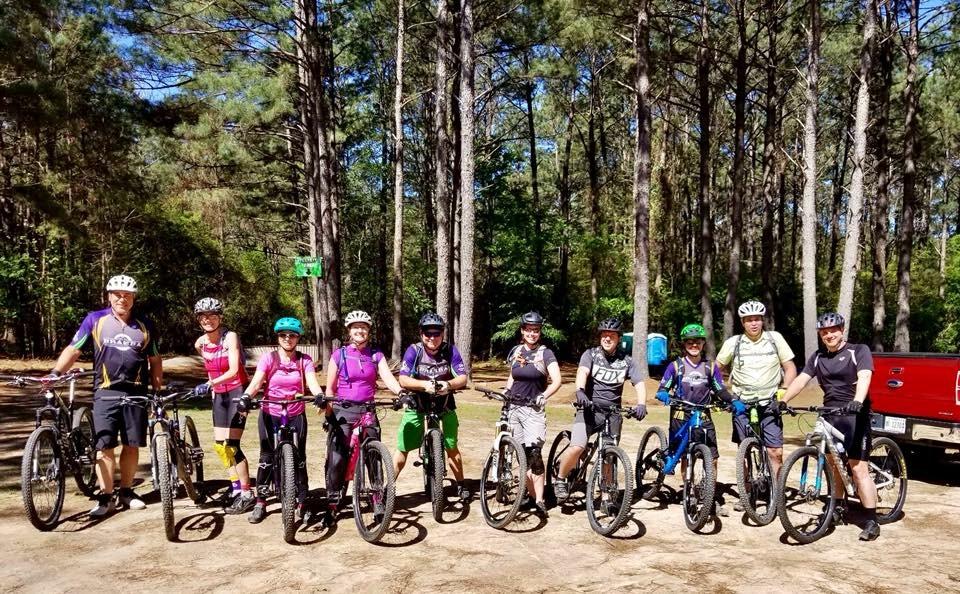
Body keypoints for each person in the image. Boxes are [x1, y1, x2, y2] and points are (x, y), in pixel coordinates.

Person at [48, 274, 162, 517]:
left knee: (132, 445)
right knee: (104, 445)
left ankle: (127, 492)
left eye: (127, 295)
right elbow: (73, 349)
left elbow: (154, 360)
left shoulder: (144, 324)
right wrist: (56, 372)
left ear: (133, 298)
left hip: (136, 393)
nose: (123, 299)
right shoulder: (95, 319)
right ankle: (106, 496)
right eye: (118, 295)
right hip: (105, 392)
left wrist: (157, 391)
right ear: (109, 296)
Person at [779, 312, 880, 541]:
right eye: (824, 332)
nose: (829, 335)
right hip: (831, 414)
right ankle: (837, 508)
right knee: (833, 464)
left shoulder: (858, 350)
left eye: (833, 330)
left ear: (841, 330)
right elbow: (802, 380)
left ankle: (872, 520)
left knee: (857, 468)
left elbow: (865, 377)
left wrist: (857, 401)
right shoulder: (818, 357)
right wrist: (784, 400)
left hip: (855, 414)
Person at [553, 318, 646, 509]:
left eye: (611, 335)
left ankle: (606, 498)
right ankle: (560, 479)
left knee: (609, 456)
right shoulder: (591, 355)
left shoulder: (626, 361)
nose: (607, 338)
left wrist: (642, 403)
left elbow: (639, 383)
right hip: (588, 409)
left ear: (618, 338)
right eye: (604, 334)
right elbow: (582, 372)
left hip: (612, 414)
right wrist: (580, 390)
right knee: (578, 447)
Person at [239, 317, 324, 525]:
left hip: (296, 412)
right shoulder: (269, 359)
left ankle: (302, 503)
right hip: (271, 412)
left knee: (300, 458)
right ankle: (260, 502)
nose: (288, 338)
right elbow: (257, 381)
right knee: (266, 457)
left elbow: (312, 382)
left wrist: (319, 395)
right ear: (278, 337)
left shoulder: (304, 360)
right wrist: (246, 397)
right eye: (283, 335)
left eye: (292, 335)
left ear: (298, 338)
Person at [322, 310, 403, 526]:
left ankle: (377, 499)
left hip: (368, 410)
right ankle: (332, 502)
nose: (360, 330)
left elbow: (387, 378)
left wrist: (401, 393)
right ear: (349, 331)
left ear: (368, 331)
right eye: (356, 327)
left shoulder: (376, 355)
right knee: (337, 458)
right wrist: (328, 415)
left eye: (364, 327)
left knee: (374, 457)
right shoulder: (339, 355)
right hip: (343, 411)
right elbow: (330, 387)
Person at [654, 323, 742, 517]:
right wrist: (663, 395)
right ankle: (690, 492)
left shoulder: (710, 367)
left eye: (698, 342)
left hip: (703, 414)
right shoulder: (675, 366)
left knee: (713, 457)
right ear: (684, 344)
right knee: (686, 456)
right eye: (690, 342)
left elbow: (719, 389)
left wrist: (733, 401)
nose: (694, 345)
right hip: (681, 413)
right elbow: (662, 388)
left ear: (703, 344)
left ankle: (707, 496)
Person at [716, 300, 797, 500]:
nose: (754, 323)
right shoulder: (733, 343)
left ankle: (777, 495)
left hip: (770, 402)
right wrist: (723, 393)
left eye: (757, 319)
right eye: (749, 320)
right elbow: (716, 370)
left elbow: (790, 368)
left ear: (763, 320)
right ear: (742, 322)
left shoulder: (774, 339)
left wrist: (784, 391)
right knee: (744, 450)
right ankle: (747, 495)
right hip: (742, 403)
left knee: (775, 451)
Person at [394, 312, 471, 502]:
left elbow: (462, 377)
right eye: (428, 333)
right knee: (403, 447)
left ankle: (460, 484)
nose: (432, 338)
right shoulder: (414, 351)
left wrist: (449, 385)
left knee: (452, 446)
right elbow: (403, 379)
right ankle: (386, 490)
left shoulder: (450, 350)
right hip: (417, 402)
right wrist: (423, 385)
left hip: (444, 402)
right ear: (421, 334)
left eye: (437, 333)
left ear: (443, 334)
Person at [192, 297, 254, 514]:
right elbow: (211, 367)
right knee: (220, 446)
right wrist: (213, 389)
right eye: (203, 316)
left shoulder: (230, 337)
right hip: (219, 396)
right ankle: (236, 487)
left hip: (237, 393)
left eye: (212, 315)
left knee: (233, 446)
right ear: (199, 319)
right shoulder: (200, 343)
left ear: (220, 317)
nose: (208, 320)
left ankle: (247, 493)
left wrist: (210, 384)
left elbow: (233, 370)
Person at [500, 311, 562, 517]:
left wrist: (544, 396)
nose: (532, 334)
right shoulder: (517, 351)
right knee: (520, 455)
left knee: (534, 454)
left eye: (536, 330)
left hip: (533, 411)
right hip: (514, 408)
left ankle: (540, 500)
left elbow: (557, 380)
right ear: (522, 330)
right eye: (528, 330)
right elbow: (513, 376)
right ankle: (526, 495)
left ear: (539, 332)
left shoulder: (546, 353)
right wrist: (506, 392)